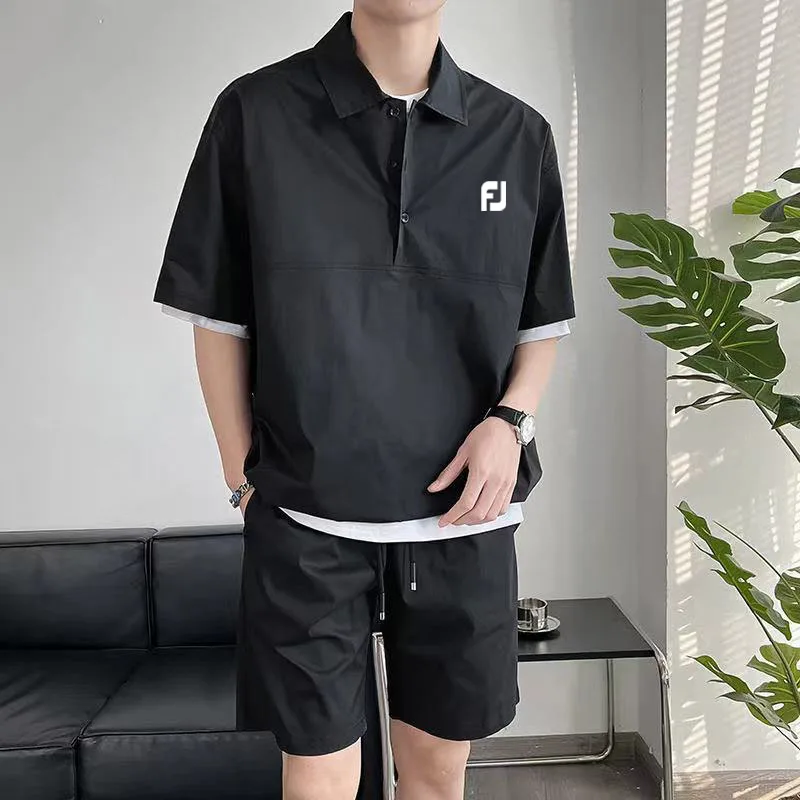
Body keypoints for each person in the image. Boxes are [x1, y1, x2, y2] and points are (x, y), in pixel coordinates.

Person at [153, 1, 574, 798]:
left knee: (438, 772)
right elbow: (217, 315)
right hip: (306, 512)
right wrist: (241, 474)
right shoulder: (255, 114)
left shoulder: (517, 135)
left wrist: (511, 420)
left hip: (463, 513)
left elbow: (540, 320)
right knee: (316, 772)